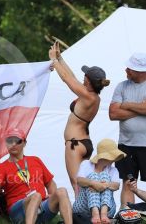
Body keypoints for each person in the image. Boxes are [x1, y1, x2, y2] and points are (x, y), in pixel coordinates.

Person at [49, 41, 110, 194]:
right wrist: (60, 58)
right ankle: (87, 214)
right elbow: (73, 77)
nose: (83, 77)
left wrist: (53, 60)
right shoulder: (92, 96)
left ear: (88, 81)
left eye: (85, 76)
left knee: (76, 183)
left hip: (75, 144)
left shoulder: (88, 96)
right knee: (82, 182)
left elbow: (66, 79)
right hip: (84, 143)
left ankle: (81, 215)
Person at [0, 128, 73, 224]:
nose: (13, 144)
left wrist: (52, 195)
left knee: (62, 191)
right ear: (6, 143)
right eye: (10, 141)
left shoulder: (35, 160)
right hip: (18, 210)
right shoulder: (1, 167)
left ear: (24, 143)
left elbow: (50, 183)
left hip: (42, 206)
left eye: (18, 141)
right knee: (36, 196)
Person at [109, 52, 146, 208]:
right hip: (126, 144)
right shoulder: (121, 86)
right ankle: (127, 215)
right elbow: (113, 113)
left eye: (130, 68)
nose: (126, 70)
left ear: (141, 71)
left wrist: (127, 104)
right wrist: (140, 108)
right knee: (128, 182)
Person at [73, 139, 126, 224]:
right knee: (93, 177)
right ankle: (95, 212)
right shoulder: (86, 164)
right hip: (83, 206)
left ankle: (103, 213)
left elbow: (117, 185)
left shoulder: (113, 170)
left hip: (108, 208)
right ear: (104, 156)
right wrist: (94, 184)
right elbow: (79, 180)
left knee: (105, 177)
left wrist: (103, 186)